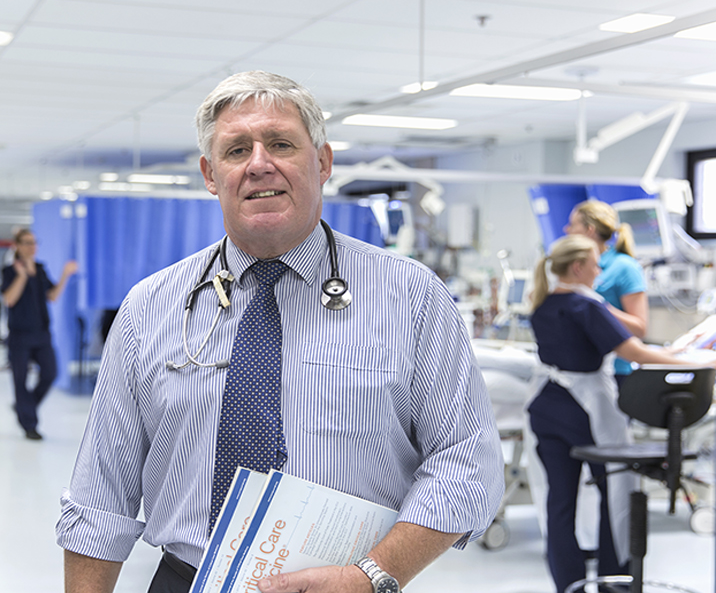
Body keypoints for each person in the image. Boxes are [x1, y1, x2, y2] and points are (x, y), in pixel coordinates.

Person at [56, 71, 504, 593]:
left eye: (281, 144)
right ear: (210, 173)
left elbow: (467, 461)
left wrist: (372, 574)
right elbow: (99, 494)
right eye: (236, 149)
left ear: (323, 162)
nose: (259, 163)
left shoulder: (410, 297)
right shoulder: (151, 308)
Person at [527, 234, 715, 593]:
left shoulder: (543, 303)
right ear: (579, 267)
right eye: (597, 264)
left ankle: (571, 586)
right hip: (585, 411)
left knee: (560, 501)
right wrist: (698, 360)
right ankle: (616, 582)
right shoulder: (588, 306)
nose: (600, 271)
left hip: (546, 408)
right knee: (616, 491)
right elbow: (637, 353)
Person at [1, 228, 78, 440]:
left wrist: (65, 274)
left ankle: (25, 406)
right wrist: (22, 276)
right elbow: (9, 299)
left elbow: (52, 295)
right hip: (19, 335)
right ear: (17, 245)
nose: (31, 246)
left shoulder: (41, 270)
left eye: (34, 242)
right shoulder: (9, 271)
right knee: (20, 379)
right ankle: (29, 425)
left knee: (50, 373)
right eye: (26, 242)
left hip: (42, 334)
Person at [564, 200, 648, 386]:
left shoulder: (624, 267)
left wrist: (598, 308)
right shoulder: (576, 266)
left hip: (613, 372)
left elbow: (639, 327)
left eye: (573, 224)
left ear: (590, 230)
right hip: (576, 369)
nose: (566, 229)